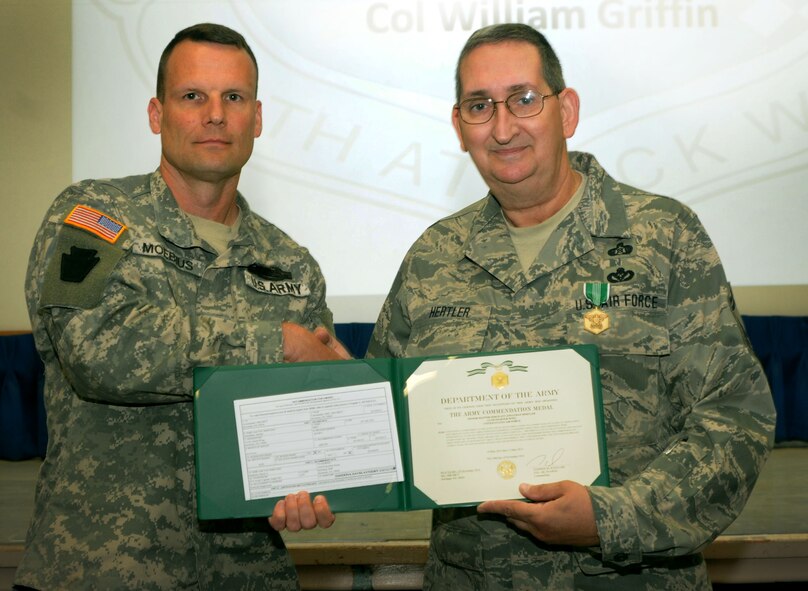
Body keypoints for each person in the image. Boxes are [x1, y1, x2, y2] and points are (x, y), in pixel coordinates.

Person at [366, 23, 776, 590]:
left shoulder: (666, 238)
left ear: (566, 111)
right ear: (460, 128)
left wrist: (611, 518)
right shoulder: (433, 258)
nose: (504, 127)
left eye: (525, 100)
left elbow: (736, 420)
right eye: (480, 106)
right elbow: (381, 417)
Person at [17, 23, 345, 591]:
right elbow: (97, 352)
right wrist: (273, 344)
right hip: (102, 570)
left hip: (248, 575)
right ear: (156, 113)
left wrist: (313, 483)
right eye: (193, 96)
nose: (214, 114)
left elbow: (306, 423)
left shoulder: (292, 265)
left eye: (233, 98)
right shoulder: (93, 217)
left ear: (257, 119)